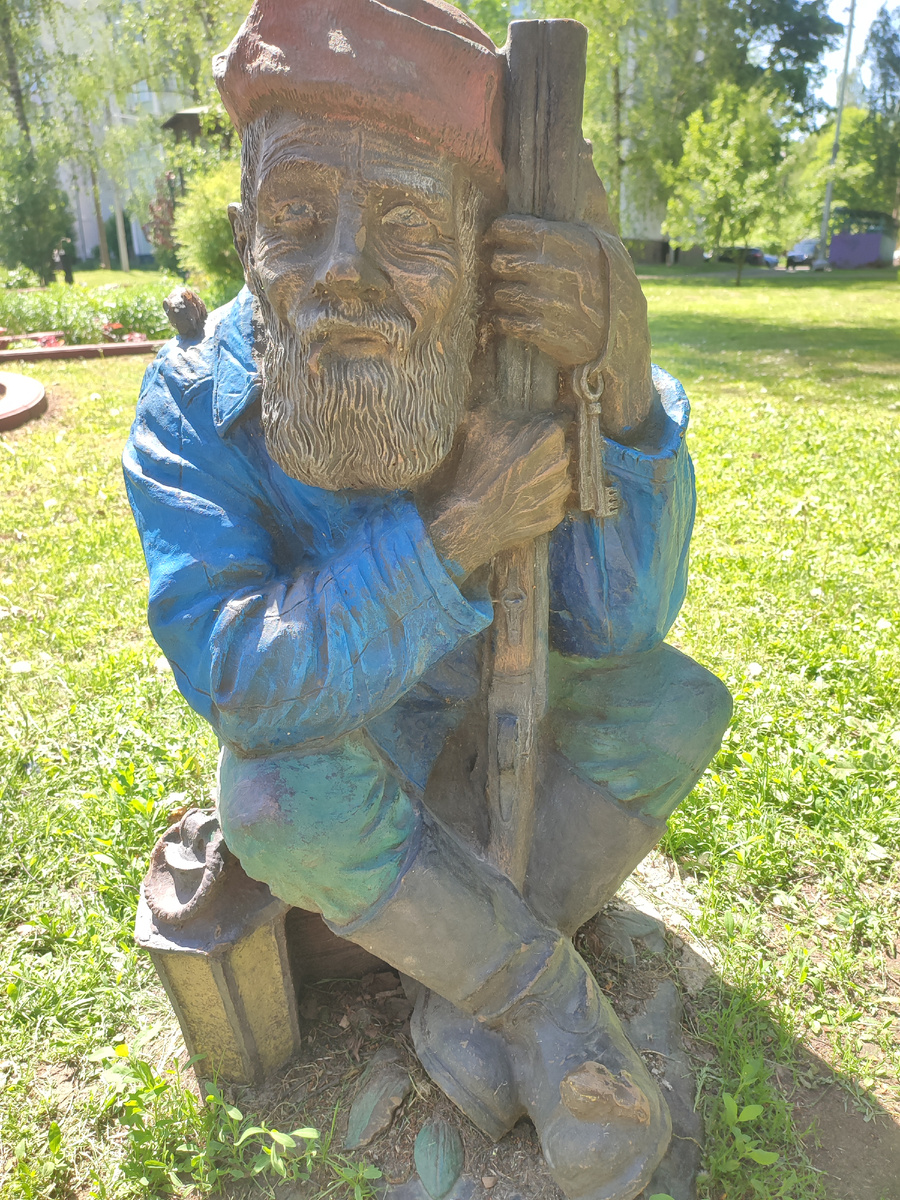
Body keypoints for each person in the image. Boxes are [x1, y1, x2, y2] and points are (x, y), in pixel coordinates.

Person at [124, 3, 731, 1197]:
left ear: (478, 241)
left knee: (673, 707)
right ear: (243, 236)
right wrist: (453, 537)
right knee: (277, 797)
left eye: (405, 229)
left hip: (518, 737)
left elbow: (619, 627)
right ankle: (544, 1005)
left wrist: (619, 380)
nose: (343, 269)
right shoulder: (191, 411)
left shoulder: (525, 360)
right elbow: (244, 681)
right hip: (361, 774)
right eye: (297, 219)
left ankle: (461, 980)